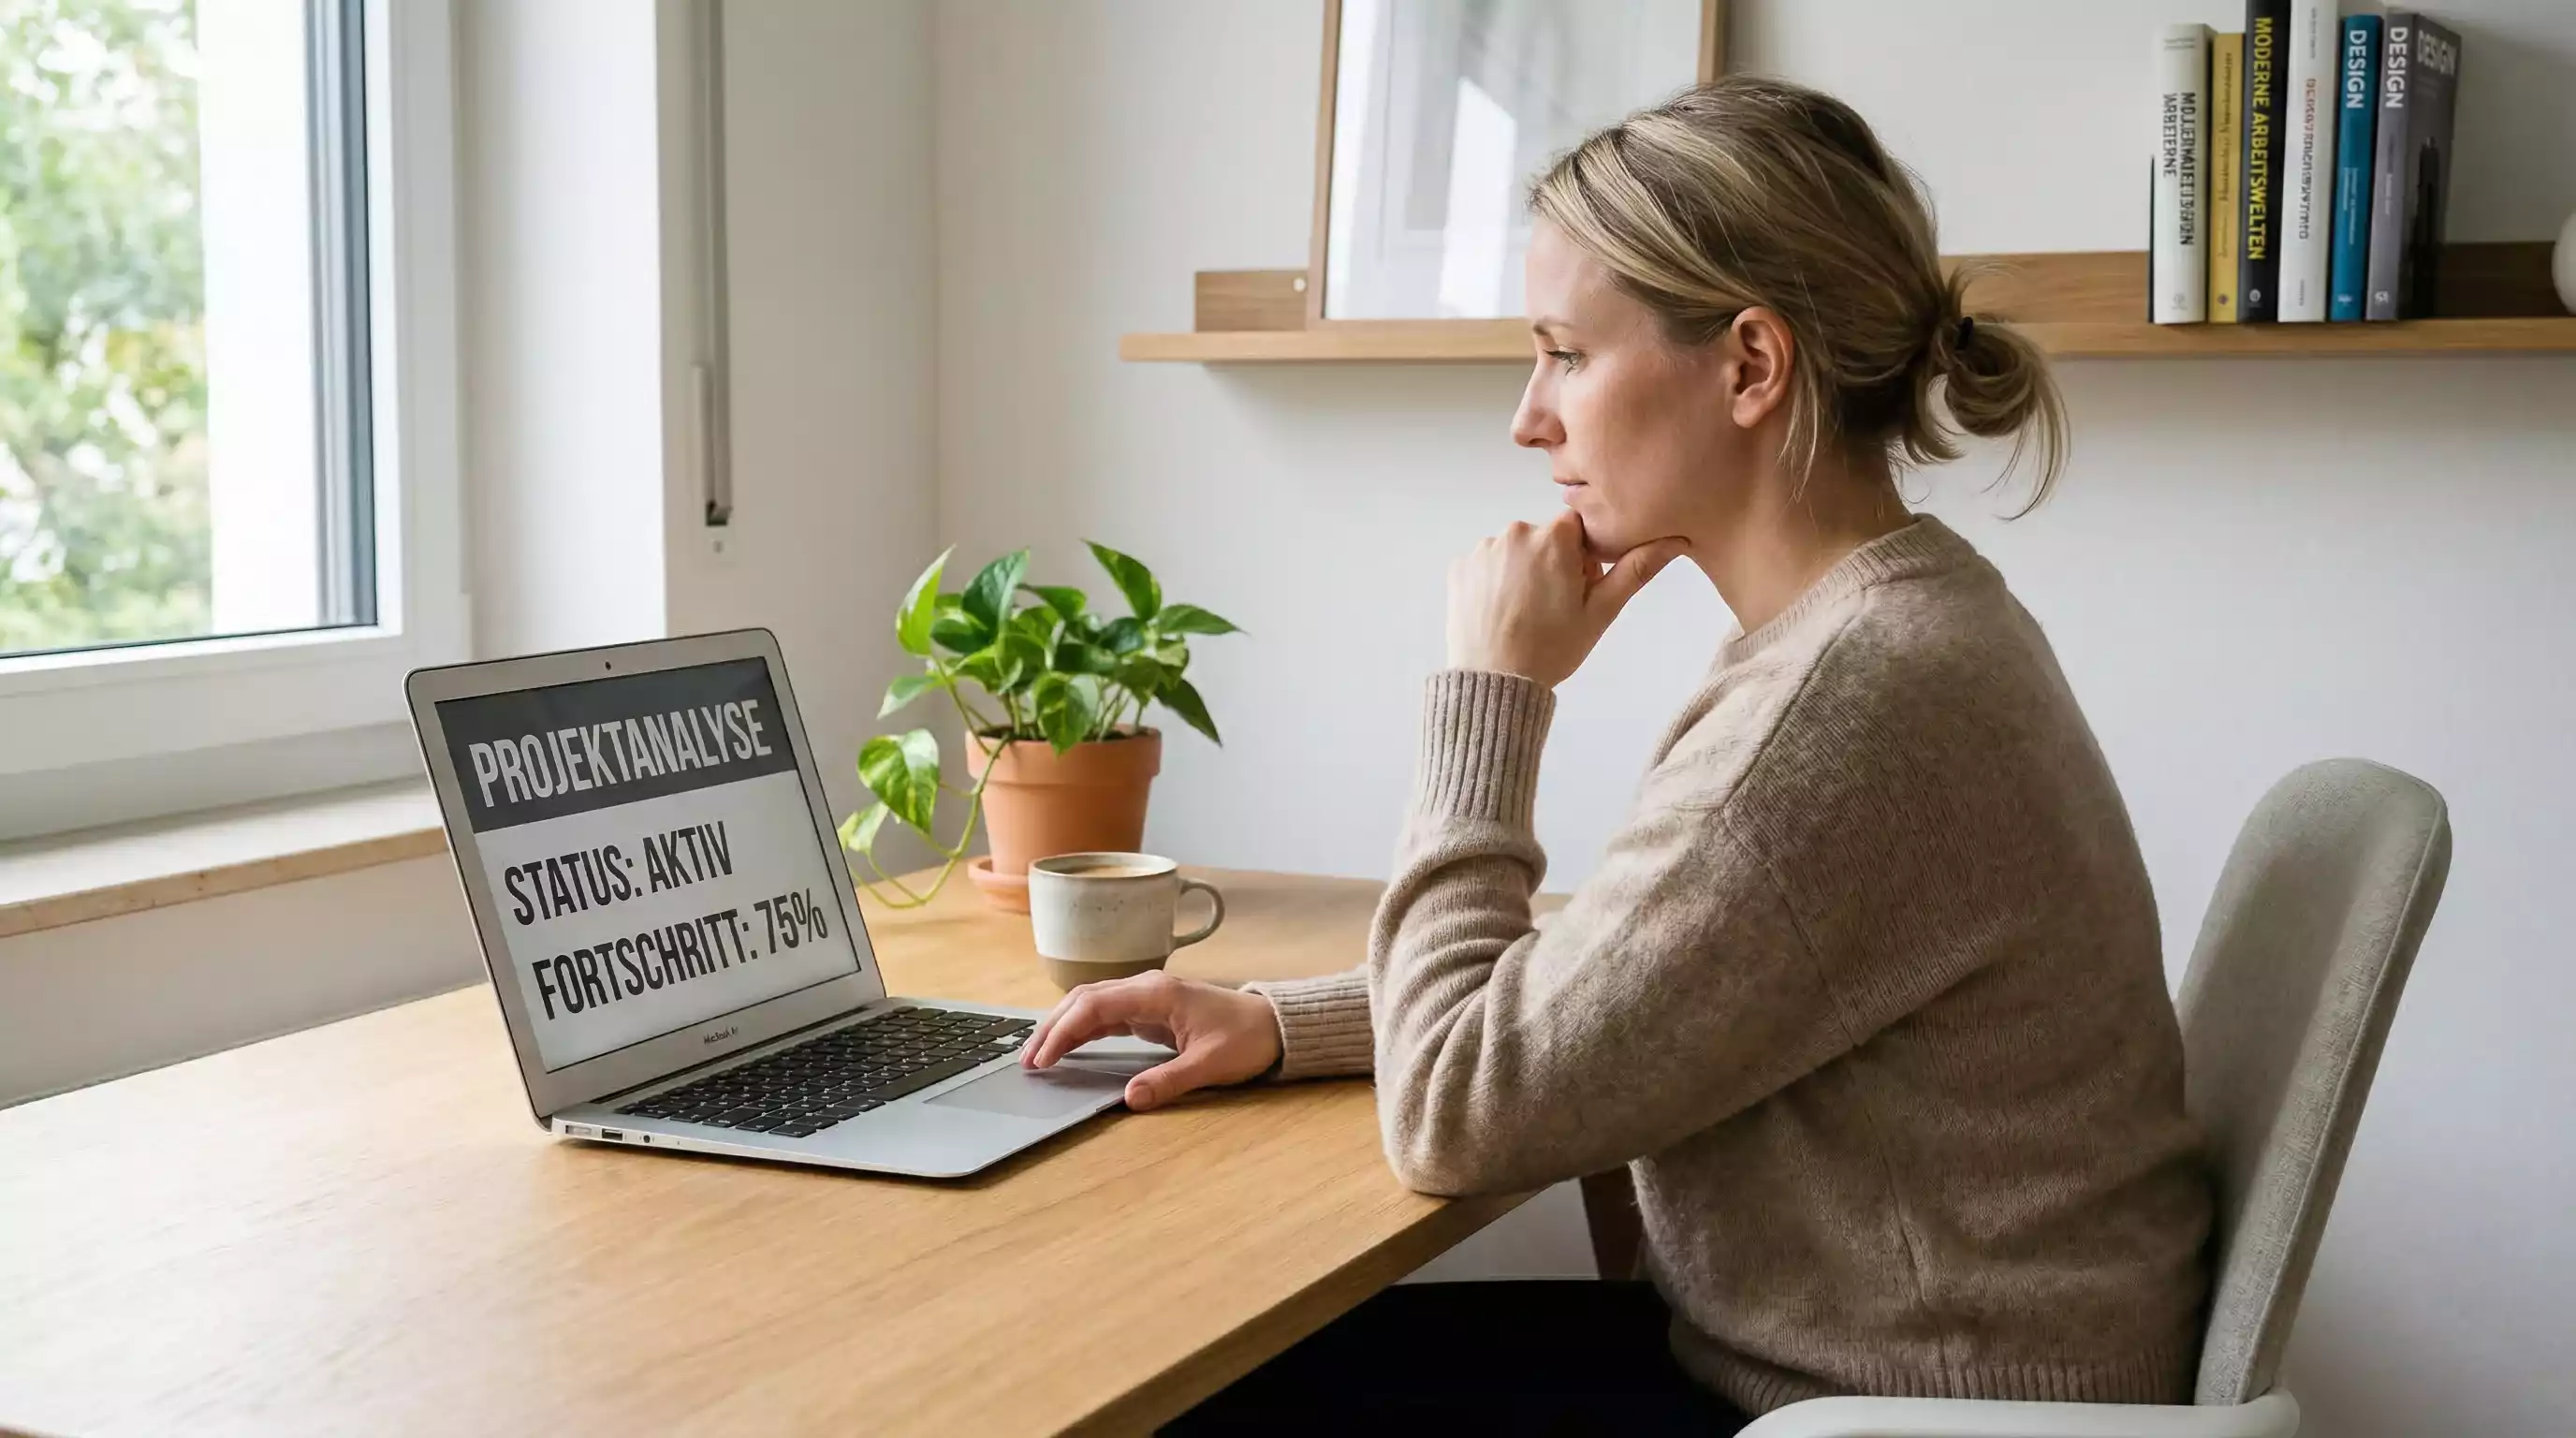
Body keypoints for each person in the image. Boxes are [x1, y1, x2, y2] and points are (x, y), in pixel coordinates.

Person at [1023, 75, 2211, 1433]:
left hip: (1881, 1408)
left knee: (1179, 1394)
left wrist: (1490, 688)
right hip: (1890, 1374)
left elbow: (1456, 1116)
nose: (1529, 418)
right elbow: (1654, 974)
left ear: (1751, 368)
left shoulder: (1852, 699)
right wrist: (1286, 1021)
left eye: (1567, 355)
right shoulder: (1888, 626)